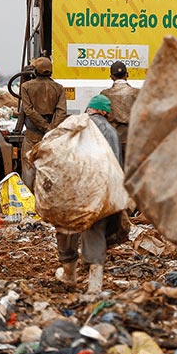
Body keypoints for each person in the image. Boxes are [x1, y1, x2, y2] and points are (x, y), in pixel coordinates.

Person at [54, 95, 127, 294]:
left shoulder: (73, 124)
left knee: (66, 229)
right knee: (94, 231)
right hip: (99, 189)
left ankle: (69, 275)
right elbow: (116, 165)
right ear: (104, 111)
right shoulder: (110, 131)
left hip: (73, 188)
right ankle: (94, 286)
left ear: (90, 108)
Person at [18, 57, 67, 188]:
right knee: (49, 170)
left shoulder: (26, 87)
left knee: (29, 170)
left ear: (35, 71)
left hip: (32, 135)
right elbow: (61, 111)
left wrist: (44, 127)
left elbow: (28, 110)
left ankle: (29, 203)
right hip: (50, 136)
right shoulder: (59, 88)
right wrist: (50, 129)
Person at [100, 61, 141, 159]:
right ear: (127, 75)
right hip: (131, 139)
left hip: (112, 139)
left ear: (112, 77)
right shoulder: (137, 93)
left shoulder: (104, 94)